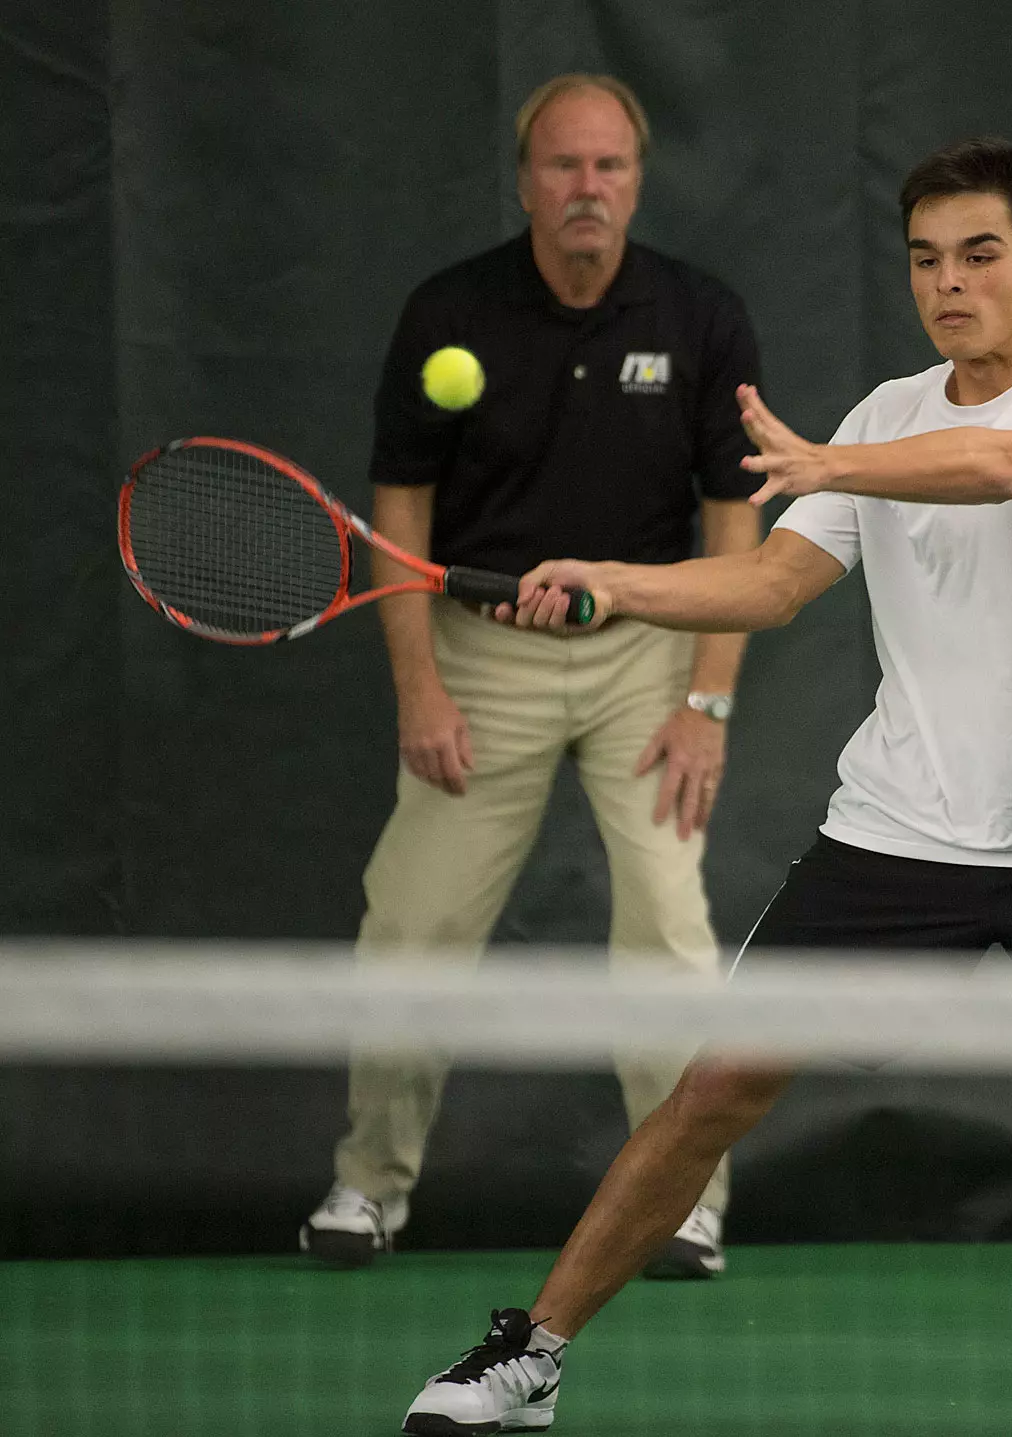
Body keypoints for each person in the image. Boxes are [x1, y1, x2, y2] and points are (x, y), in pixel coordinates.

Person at [398, 137, 1012, 1434]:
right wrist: (614, 583)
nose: (949, 283)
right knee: (714, 1089)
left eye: (980, 255)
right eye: (927, 259)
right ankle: (532, 1351)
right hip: (897, 831)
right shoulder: (884, 414)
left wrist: (833, 464)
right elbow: (771, 584)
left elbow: (1002, 469)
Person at [299, 73, 763, 1281]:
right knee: (411, 924)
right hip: (480, 654)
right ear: (525, 181)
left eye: (609, 167)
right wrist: (419, 685)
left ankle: (685, 1203)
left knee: (668, 926)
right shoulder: (449, 312)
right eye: (564, 167)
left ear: (637, 182)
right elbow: (398, 511)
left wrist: (706, 700)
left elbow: (735, 523)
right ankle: (368, 1187)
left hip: (648, 654)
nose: (587, 190)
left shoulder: (702, 318)